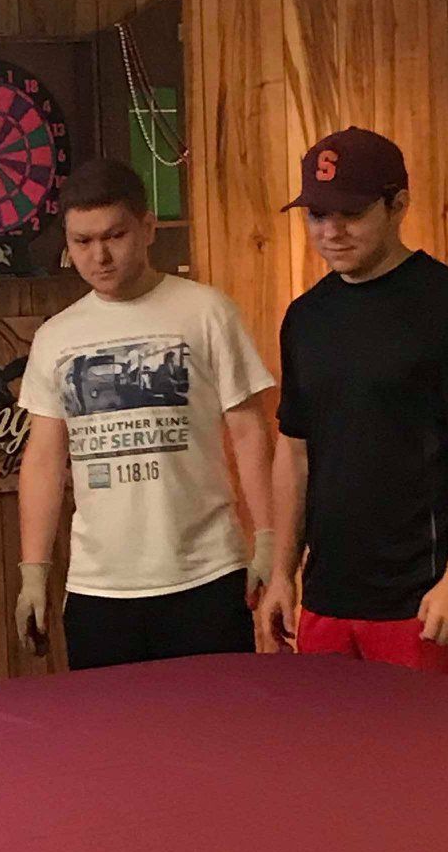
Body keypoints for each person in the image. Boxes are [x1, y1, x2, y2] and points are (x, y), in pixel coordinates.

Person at [259, 127, 448, 677]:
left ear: (398, 205)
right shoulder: (305, 317)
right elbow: (295, 452)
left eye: (351, 214)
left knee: (434, 736)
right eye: (317, 215)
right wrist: (282, 572)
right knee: (331, 735)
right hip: (327, 597)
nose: (331, 232)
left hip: (422, 601)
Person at [15, 159, 275, 668]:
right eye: (82, 241)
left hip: (205, 573)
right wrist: (33, 573)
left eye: (115, 236)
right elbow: (44, 459)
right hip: (100, 587)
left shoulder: (207, 311)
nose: (100, 256)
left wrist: (268, 540)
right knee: (109, 724)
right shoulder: (56, 337)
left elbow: (249, 431)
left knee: (221, 718)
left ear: (148, 228)